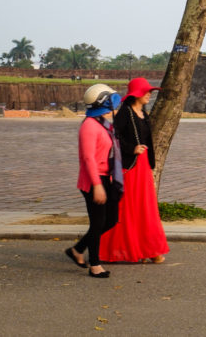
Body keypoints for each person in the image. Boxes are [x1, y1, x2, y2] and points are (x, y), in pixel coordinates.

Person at [100, 77, 169, 264]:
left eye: (150, 92)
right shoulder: (125, 113)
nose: (149, 95)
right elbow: (113, 138)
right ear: (136, 94)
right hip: (130, 166)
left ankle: (149, 249)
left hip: (143, 165)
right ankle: (122, 250)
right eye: (146, 92)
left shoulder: (143, 113)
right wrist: (132, 149)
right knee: (128, 208)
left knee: (146, 208)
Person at [65, 84, 123, 279]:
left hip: (107, 177)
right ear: (103, 101)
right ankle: (95, 264)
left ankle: (78, 249)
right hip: (93, 180)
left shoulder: (102, 122)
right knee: (98, 222)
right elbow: (88, 158)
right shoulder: (90, 126)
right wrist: (97, 186)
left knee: (111, 219)